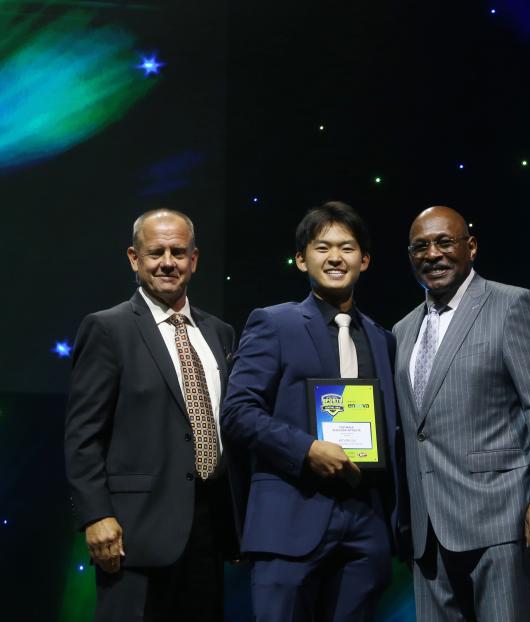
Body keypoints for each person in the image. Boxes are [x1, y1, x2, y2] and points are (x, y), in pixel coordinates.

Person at [221, 201, 406, 621]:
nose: (336, 258)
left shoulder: (382, 337)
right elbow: (237, 412)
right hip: (289, 521)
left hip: (365, 526)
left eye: (347, 247)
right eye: (322, 248)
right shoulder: (273, 323)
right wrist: (307, 449)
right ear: (302, 259)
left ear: (366, 260)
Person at [392, 205, 530, 621]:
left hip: (504, 521)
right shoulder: (403, 329)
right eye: (420, 246)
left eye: (445, 242)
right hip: (428, 532)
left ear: (470, 247)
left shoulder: (514, 305)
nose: (433, 254)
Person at [63, 208, 237, 620]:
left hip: (208, 532)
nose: (167, 262)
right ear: (134, 259)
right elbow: (82, 435)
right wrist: (96, 515)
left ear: (194, 260)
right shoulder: (108, 329)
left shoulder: (219, 332)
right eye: (155, 252)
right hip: (132, 535)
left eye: (178, 252)